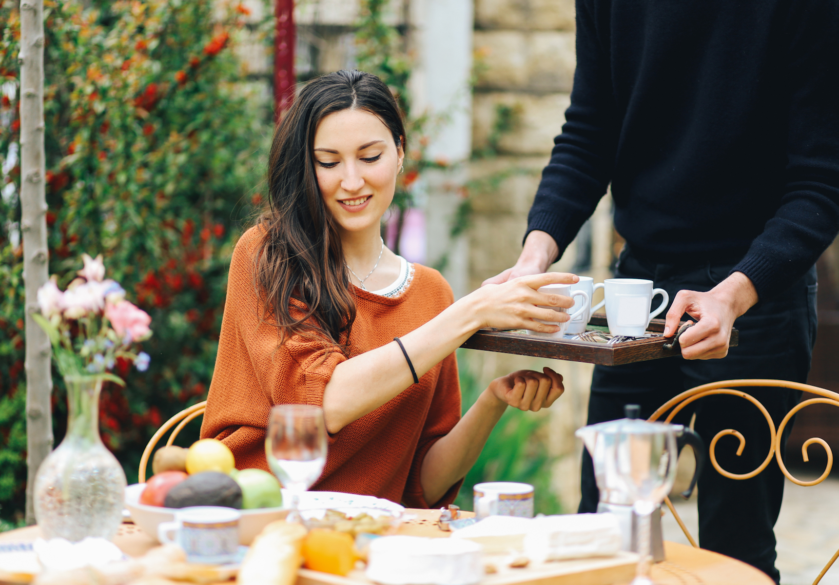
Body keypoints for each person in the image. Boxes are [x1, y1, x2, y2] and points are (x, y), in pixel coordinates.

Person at [484, 0, 839, 581]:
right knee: (603, 531)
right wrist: (534, 255)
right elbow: (589, 133)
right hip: (638, 293)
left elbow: (821, 181)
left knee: (734, 552)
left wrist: (735, 293)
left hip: (753, 301)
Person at [201, 70, 576, 509]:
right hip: (253, 518)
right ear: (306, 166)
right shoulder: (268, 256)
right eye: (329, 161)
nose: (352, 180)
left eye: (369, 156)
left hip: (369, 541)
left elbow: (422, 485)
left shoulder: (431, 294)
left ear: (399, 153)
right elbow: (324, 402)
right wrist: (471, 313)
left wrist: (493, 401)